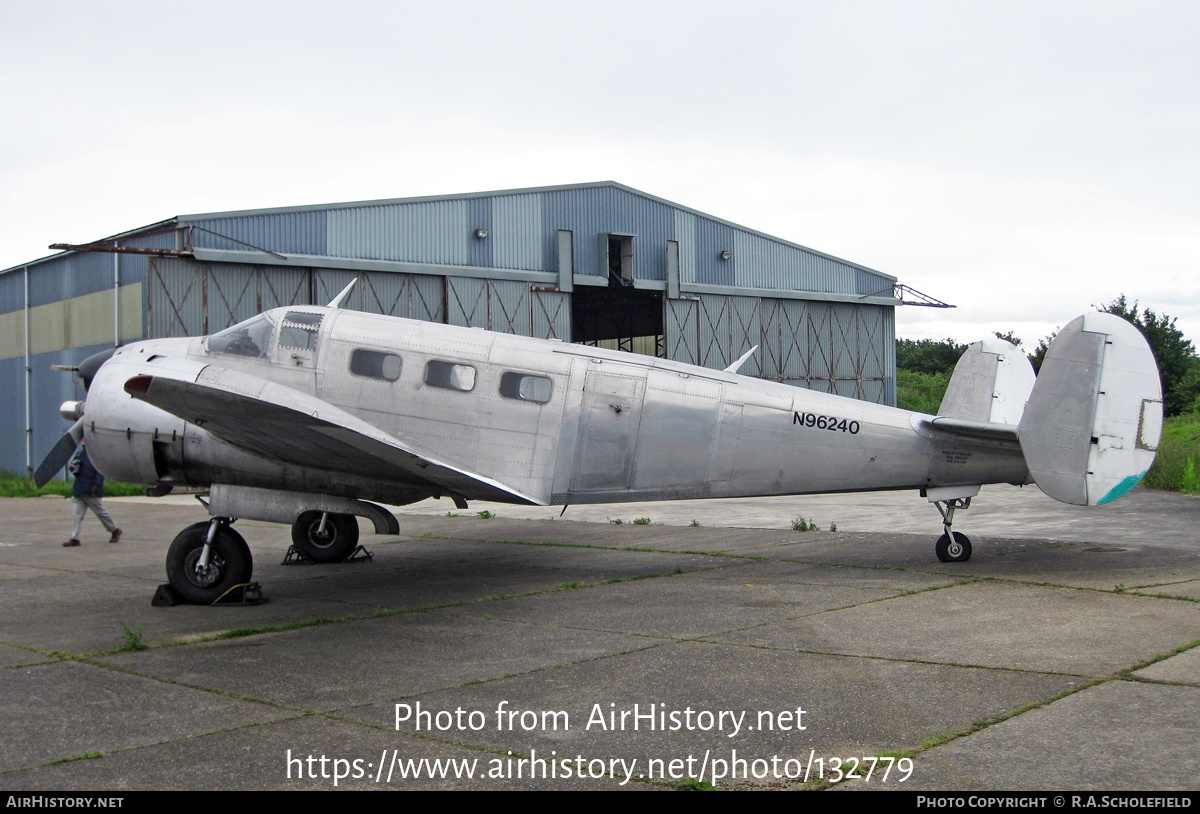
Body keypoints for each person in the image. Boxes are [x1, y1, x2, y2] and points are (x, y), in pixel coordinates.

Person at [63, 442, 121, 547]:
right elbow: (73, 466)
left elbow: (100, 472)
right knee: (76, 515)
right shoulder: (80, 453)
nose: (83, 440)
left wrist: (97, 486)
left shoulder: (97, 455)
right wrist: (73, 467)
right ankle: (75, 538)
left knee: (100, 512)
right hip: (79, 489)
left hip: (91, 490)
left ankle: (115, 530)